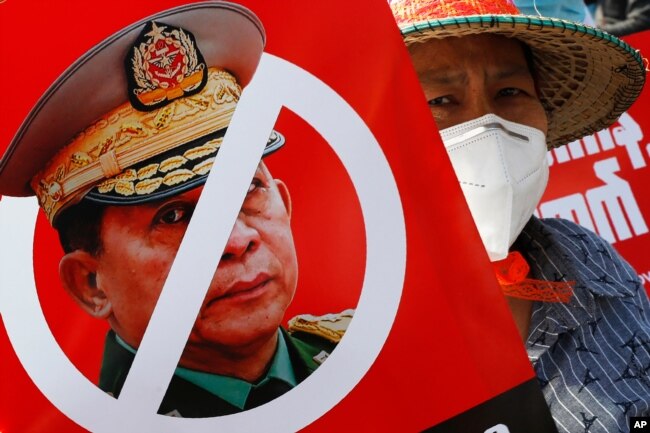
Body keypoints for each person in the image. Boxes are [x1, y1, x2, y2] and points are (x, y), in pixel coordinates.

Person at [0, 2, 352, 418]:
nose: (238, 241)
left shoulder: (365, 351)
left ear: (284, 202)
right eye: (173, 216)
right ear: (91, 283)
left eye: (249, 189)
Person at [390, 0, 650, 431]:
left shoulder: (588, 261)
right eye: (441, 100)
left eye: (509, 92)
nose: (486, 125)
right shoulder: (347, 333)